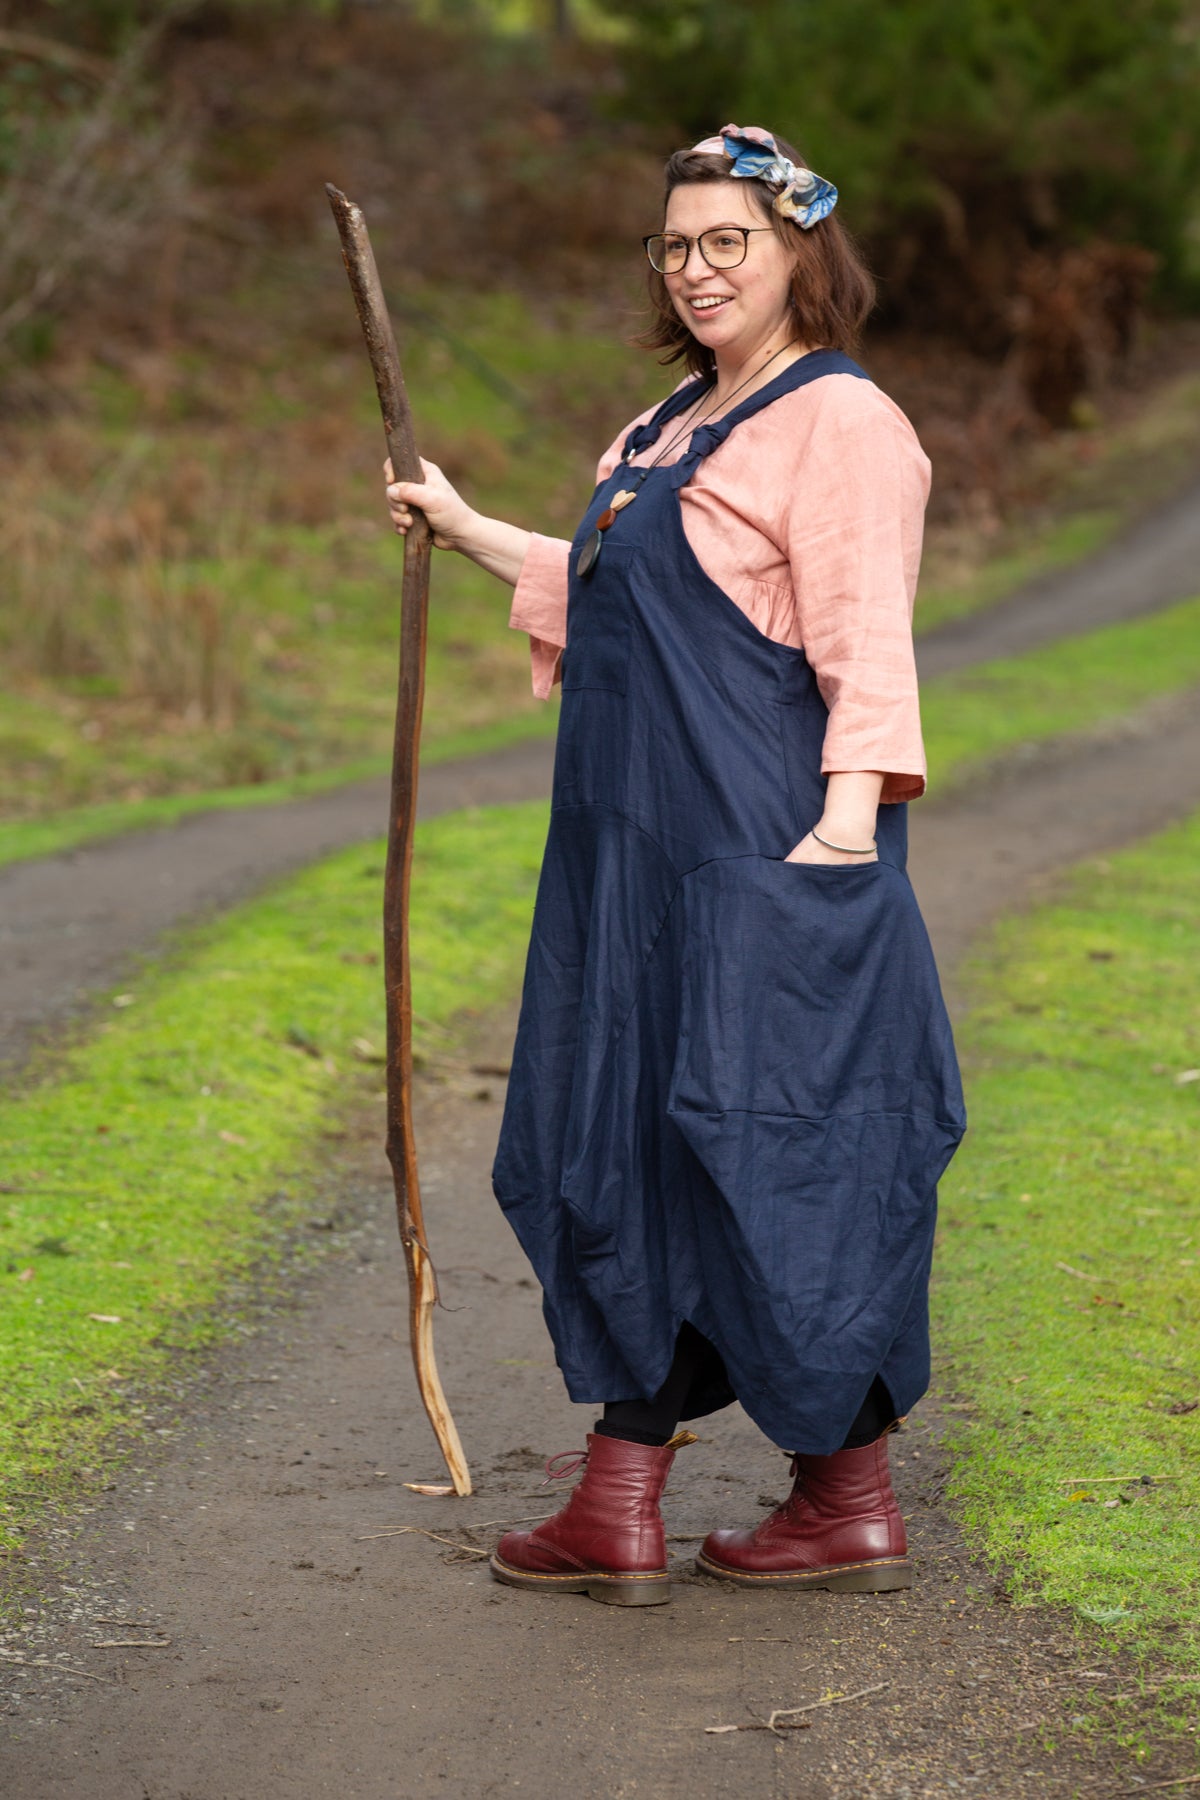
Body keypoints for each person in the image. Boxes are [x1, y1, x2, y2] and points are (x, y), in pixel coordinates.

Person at [385, 124, 966, 1608]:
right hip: (624, 874)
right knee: (624, 1145)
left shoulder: (840, 424)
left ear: (799, 257)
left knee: (778, 1156)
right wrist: (463, 531)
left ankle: (694, 1495)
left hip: (763, 856)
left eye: (731, 243)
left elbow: (863, 639)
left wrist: (846, 826)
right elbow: (613, 597)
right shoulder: (660, 434)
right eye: (677, 245)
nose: (699, 269)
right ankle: (762, 1502)